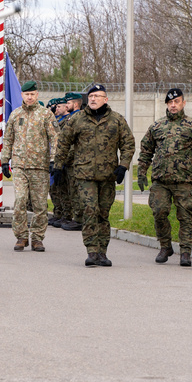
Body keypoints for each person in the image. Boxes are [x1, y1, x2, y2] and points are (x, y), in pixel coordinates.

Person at [54, 84, 135, 267]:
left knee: (103, 214)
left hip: (108, 175)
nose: (93, 99)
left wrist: (123, 166)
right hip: (84, 175)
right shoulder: (77, 119)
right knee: (90, 211)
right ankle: (91, 251)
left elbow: (128, 143)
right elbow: (64, 142)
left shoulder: (116, 120)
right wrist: (58, 166)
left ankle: (102, 252)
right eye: (90, 96)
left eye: (97, 96)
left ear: (105, 99)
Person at [137, 88, 192, 267]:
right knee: (159, 213)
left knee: (185, 217)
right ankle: (165, 246)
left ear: (183, 103)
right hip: (160, 181)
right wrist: (141, 173)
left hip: (184, 181)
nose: (173, 105)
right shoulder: (157, 126)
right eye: (170, 102)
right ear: (166, 105)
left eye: (176, 101)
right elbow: (146, 150)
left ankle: (185, 252)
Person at [0, 81, 59, 252]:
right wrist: (5, 160)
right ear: (22, 96)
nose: (30, 97)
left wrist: (54, 160)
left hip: (40, 166)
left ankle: (38, 238)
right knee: (20, 201)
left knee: (40, 204)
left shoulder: (46, 115)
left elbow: (55, 138)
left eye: (33, 94)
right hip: (19, 165)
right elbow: (8, 139)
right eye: (27, 94)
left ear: (37, 95)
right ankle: (21, 236)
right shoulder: (15, 114)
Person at [59, 92, 84, 231]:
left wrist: (64, 159)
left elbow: (73, 144)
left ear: (75, 104)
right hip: (69, 161)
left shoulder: (78, 118)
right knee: (71, 190)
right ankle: (74, 217)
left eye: (68, 103)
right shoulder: (71, 118)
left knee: (76, 191)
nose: (65, 105)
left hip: (75, 161)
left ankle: (78, 219)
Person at [48, 96, 71, 227]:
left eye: (59, 106)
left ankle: (66, 214)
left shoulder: (69, 120)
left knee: (64, 189)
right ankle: (59, 213)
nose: (56, 109)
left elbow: (61, 137)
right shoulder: (58, 119)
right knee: (56, 189)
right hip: (55, 158)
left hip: (63, 158)